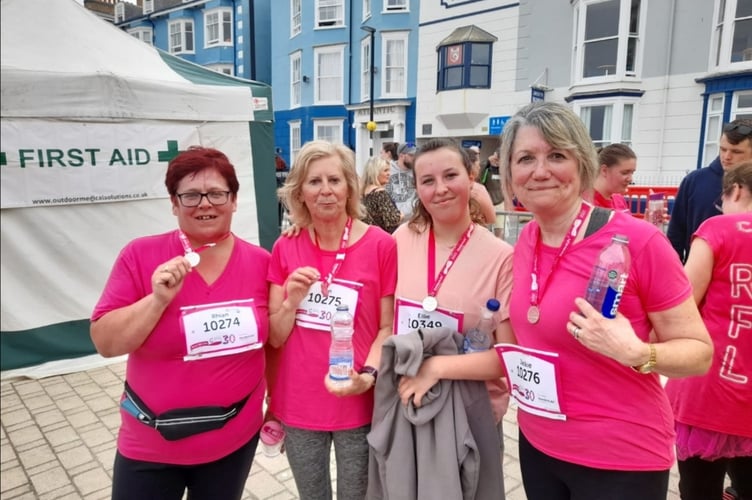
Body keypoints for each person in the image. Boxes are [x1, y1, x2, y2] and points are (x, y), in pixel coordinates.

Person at [496, 101, 713, 500]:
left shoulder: (639, 242)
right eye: (525, 158)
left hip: (618, 457)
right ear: (510, 173)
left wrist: (636, 352)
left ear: (582, 165)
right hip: (539, 442)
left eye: (556, 155)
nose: (540, 170)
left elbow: (699, 353)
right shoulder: (526, 239)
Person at [90, 147, 270, 500]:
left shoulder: (262, 262)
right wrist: (156, 300)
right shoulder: (140, 256)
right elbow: (105, 343)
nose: (205, 204)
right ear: (174, 203)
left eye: (217, 193)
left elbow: (276, 341)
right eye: (190, 195)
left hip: (232, 441)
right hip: (151, 448)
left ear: (234, 201)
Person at [267, 140, 397, 500]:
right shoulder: (286, 246)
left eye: (335, 180)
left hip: (357, 398)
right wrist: (292, 300)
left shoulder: (381, 246)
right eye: (314, 181)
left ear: (350, 187)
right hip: (299, 401)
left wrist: (367, 377)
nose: (325, 190)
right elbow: (276, 337)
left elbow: (387, 327)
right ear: (300, 191)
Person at [392, 138, 515, 497]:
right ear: (416, 187)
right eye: (427, 180)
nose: (440, 189)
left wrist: (436, 369)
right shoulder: (400, 239)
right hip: (410, 406)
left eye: (450, 175)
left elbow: (508, 358)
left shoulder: (500, 257)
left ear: (472, 176)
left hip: (470, 413)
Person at [665, 162, 752, 500]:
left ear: (737, 190)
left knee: (700, 489)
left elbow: (681, 304)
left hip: (711, 383)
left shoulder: (717, 229)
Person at [668, 119, 752, 262]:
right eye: (723, 149)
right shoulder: (694, 180)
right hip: (697, 272)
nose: (727, 157)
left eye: (736, 152)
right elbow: (676, 233)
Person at [361, 156, 403, 233]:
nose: (389, 174)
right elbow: (392, 221)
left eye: (389, 170)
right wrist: (400, 216)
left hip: (367, 236)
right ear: (375, 172)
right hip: (382, 238)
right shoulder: (380, 193)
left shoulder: (362, 193)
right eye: (385, 170)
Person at [592, 143, 636, 211]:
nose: (630, 179)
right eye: (625, 173)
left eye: (632, 173)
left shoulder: (619, 199)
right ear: (604, 170)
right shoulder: (588, 204)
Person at [385, 142, 418, 220]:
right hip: (392, 219)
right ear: (401, 155)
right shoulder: (387, 169)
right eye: (411, 155)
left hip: (411, 219)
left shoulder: (417, 171)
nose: (414, 158)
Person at [466, 146, 498, 225]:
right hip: (474, 231)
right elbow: (491, 218)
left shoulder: (450, 187)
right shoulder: (477, 189)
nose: (479, 167)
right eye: (478, 165)